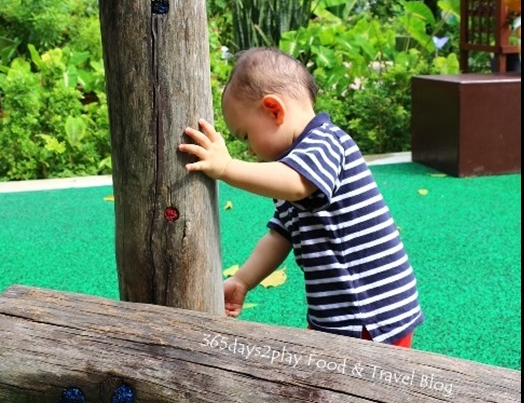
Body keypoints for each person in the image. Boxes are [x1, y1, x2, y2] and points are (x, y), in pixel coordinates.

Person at [179, 46, 423, 347]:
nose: (250, 151)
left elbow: (295, 183)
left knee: (364, 385)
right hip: (339, 312)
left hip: (369, 311)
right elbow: (280, 235)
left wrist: (227, 167)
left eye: (246, 136)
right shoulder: (297, 163)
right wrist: (243, 280)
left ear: (274, 110)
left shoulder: (326, 143)